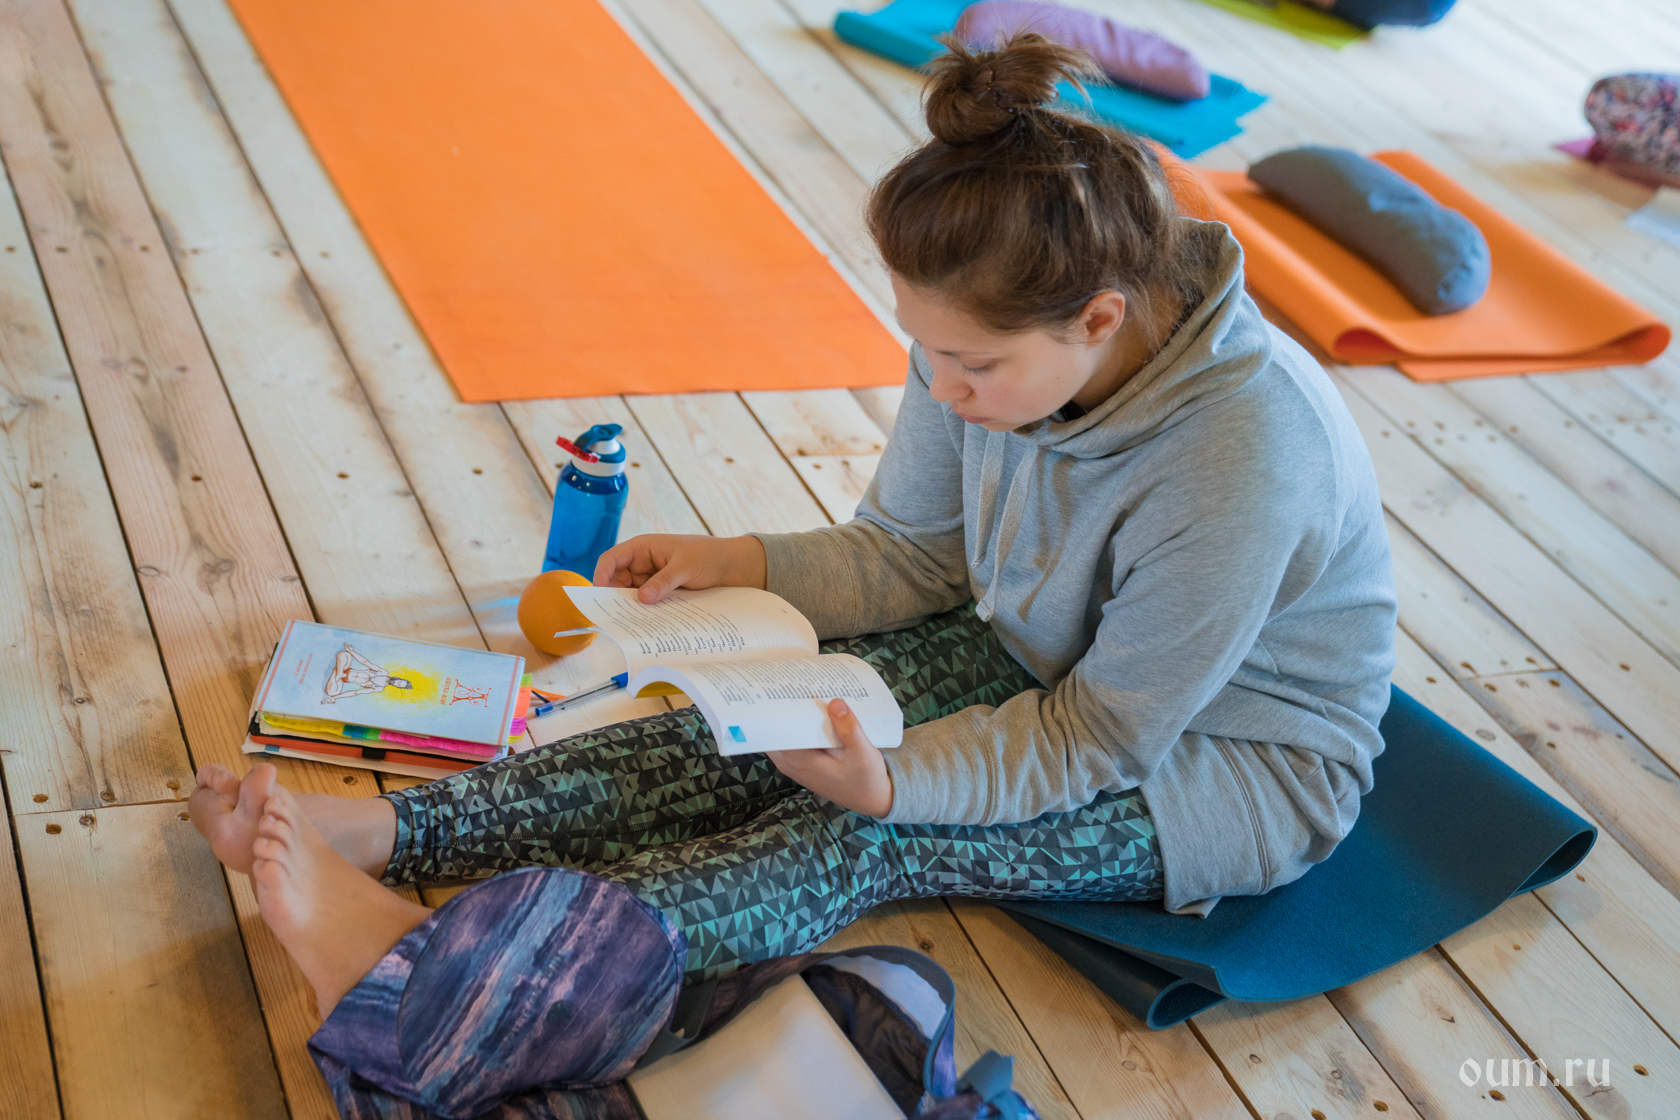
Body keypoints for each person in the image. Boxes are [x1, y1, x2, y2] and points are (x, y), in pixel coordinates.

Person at [190, 30, 1395, 1099]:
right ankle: (386, 834)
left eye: (972, 366)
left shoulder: (1246, 454)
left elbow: (1097, 736)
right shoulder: (988, 335)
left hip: (1219, 761)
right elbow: (911, 554)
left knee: (861, 837)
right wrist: (735, 558)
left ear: (1099, 319)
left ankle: (431, 979)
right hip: (1041, 661)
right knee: (727, 739)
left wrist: (892, 784)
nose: (943, 388)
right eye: (926, 351)